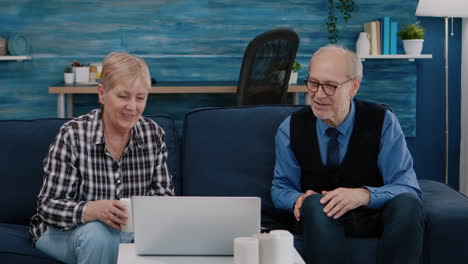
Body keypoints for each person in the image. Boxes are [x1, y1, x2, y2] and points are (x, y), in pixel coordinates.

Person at [271, 44, 424, 264]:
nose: (318, 94)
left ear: (354, 86)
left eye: (330, 86)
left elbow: (407, 186)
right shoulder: (290, 128)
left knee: (408, 203)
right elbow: (281, 187)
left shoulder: (383, 121)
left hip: (375, 215)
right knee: (314, 203)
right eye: (313, 83)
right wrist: (297, 199)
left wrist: (364, 195)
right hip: (321, 218)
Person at [29, 52, 174, 263]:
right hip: (63, 231)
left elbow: (164, 201)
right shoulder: (73, 135)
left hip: (126, 233)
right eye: (123, 96)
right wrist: (90, 210)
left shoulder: (153, 135)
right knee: (98, 235)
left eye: (140, 98)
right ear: (102, 94)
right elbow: (47, 207)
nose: (132, 107)